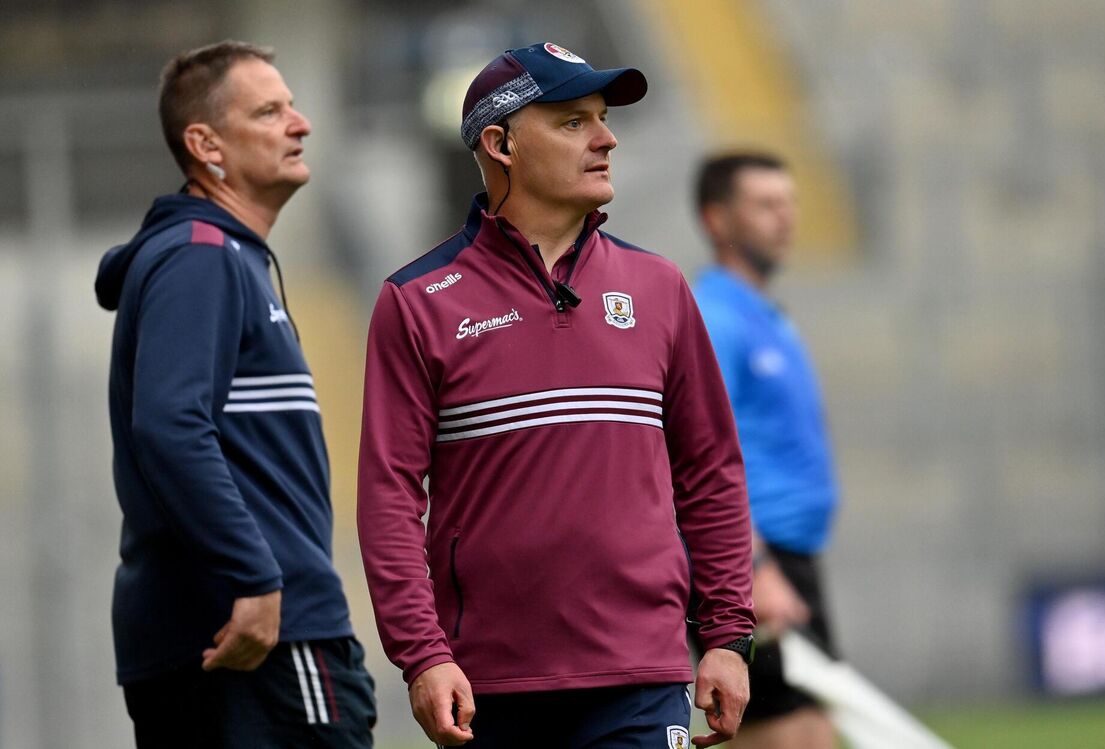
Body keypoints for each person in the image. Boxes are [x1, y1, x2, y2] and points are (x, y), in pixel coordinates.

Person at [357, 42, 756, 748]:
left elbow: (711, 470)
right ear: (499, 143)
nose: (605, 138)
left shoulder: (660, 288)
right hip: (490, 687)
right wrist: (423, 652)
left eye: (603, 119)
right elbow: (389, 495)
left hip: (642, 678)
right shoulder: (416, 301)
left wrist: (726, 634)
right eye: (573, 122)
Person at [94, 41, 375, 748]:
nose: (300, 123)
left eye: (293, 105)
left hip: (230, 638)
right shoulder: (201, 257)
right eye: (270, 110)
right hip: (260, 643)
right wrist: (257, 578)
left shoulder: (220, 256)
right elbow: (169, 425)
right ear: (205, 144)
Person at [691, 153, 842, 749]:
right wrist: (751, 569)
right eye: (766, 204)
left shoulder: (766, 316)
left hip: (790, 560)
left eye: (790, 203)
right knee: (787, 734)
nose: (787, 218)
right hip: (758, 561)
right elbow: (696, 451)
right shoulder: (716, 318)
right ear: (718, 220)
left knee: (805, 731)